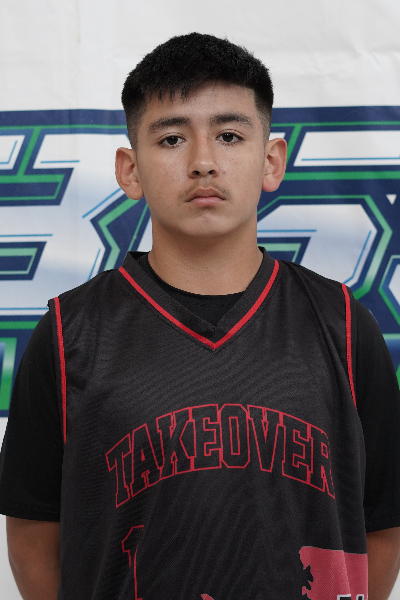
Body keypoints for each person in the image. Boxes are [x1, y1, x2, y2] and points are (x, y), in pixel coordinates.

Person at [1, 32, 400, 600]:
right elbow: (33, 532)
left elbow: (381, 525)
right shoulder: (70, 334)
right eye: (171, 139)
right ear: (130, 170)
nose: (203, 162)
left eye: (229, 135)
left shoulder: (343, 325)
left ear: (271, 160)